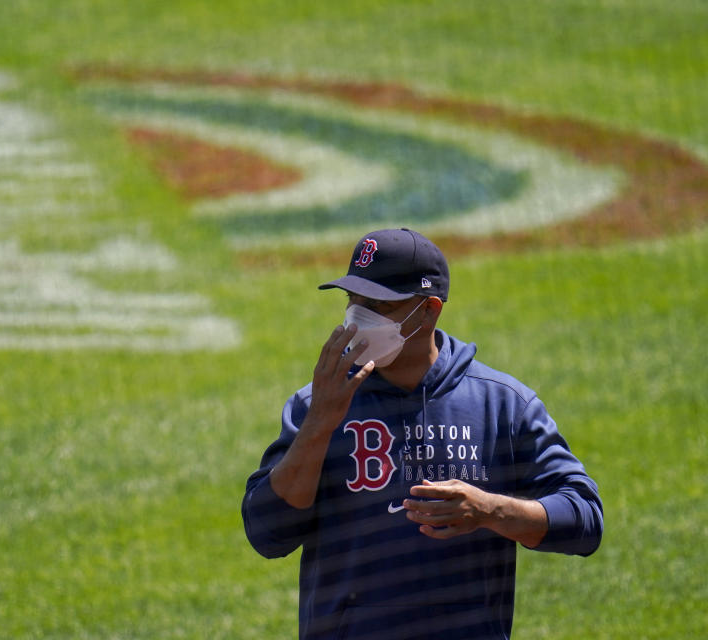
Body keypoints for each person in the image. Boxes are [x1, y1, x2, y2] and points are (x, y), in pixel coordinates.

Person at [242, 228, 603, 640]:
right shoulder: (315, 404)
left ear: (429, 310)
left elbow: (585, 519)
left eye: (378, 305)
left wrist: (491, 511)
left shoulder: (502, 404)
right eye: (352, 301)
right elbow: (267, 533)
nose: (357, 318)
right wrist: (321, 422)